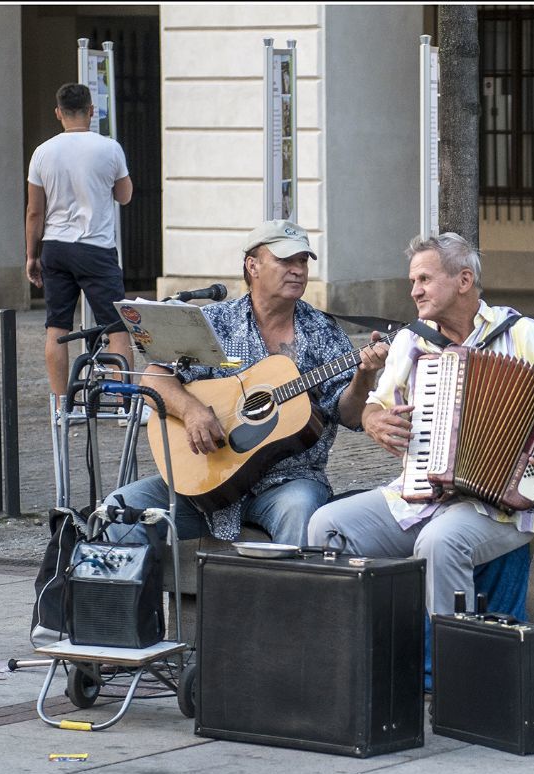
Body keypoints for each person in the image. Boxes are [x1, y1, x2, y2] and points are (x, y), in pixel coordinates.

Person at [307, 232, 534, 616]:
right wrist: (374, 422)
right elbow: (372, 407)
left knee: (440, 542)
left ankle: (445, 671)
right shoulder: (410, 342)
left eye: (424, 279)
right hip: (418, 498)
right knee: (326, 525)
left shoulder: (520, 333)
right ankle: (357, 657)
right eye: (412, 282)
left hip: (501, 508)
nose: (415, 291)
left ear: (464, 281)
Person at [102, 220, 389, 549]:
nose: (297, 270)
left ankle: (291, 600)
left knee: (302, 513)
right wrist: (193, 411)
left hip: (289, 482)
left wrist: (366, 374)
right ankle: (138, 602)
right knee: (119, 508)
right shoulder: (216, 320)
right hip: (205, 482)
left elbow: (350, 415)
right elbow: (154, 376)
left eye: (302, 261)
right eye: (285, 260)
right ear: (252, 265)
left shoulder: (321, 330)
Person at [25, 83, 134, 397]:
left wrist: (32, 256)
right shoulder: (109, 148)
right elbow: (125, 196)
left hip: (56, 248)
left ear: (58, 113)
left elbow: (34, 211)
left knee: (57, 328)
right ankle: (122, 400)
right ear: (91, 111)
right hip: (96, 247)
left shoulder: (42, 152)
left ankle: (62, 405)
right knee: (117, 327)